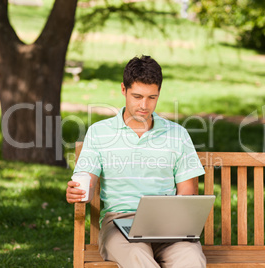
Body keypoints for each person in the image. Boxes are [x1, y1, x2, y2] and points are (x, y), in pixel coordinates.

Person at [66, 55, 206, 267]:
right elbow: (88, 180)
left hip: (167, 225)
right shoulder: (99, 133)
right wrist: (78, 192)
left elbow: (188, 193)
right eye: (137, 96)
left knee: (191, 258)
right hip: (119, 224)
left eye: (152, 97)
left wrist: (175, 223)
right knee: (138, 258)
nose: (144, 105)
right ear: (124, 89)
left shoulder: (177, 134)